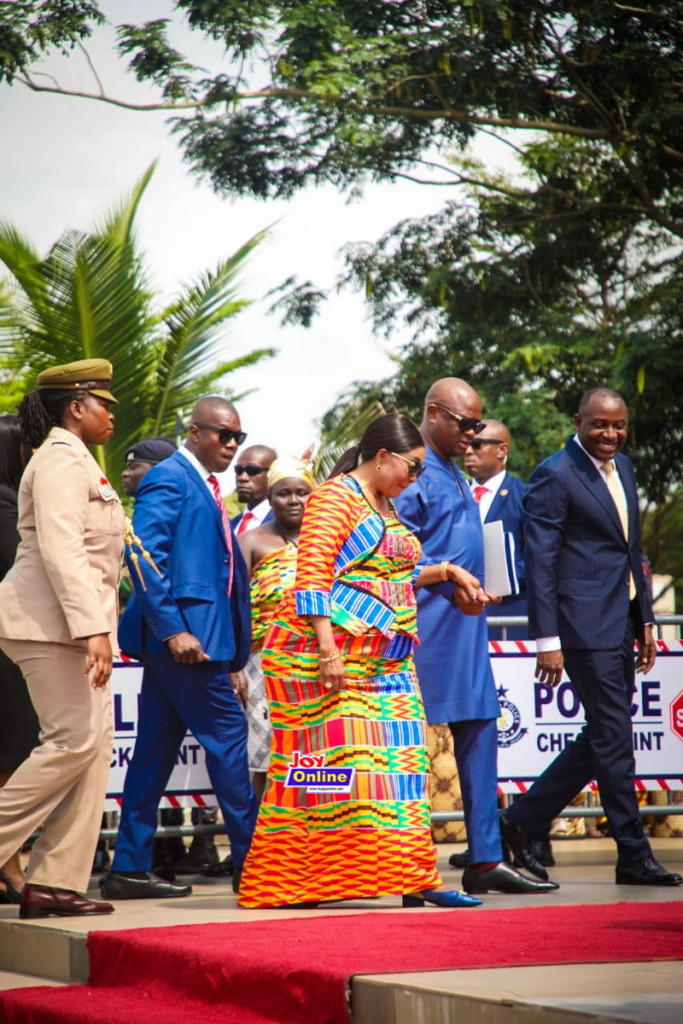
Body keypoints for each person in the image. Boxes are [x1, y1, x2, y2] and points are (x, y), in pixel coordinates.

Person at [238, 413, 483, 910]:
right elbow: (312, 578)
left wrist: (445, 571)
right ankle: (293, 881)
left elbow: (386, 574)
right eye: (412, 466)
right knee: (318, 773)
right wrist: (328, 651)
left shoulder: (385, 503)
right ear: (383, 456)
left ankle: (416, 877)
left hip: (384, 662)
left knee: (402, 766)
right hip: (319, 661)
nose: (415, 477)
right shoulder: (334, 497)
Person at [499, 387, 682, 887]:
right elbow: (540, 563)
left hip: (621, 621)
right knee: (614, 738)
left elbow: (631, 551)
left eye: (618, 425)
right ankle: (633, 853)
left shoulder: (625, 469)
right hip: (582, 627)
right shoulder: (555, 474)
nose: (610, 433)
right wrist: (547, 640)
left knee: (603, 735)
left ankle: (520, 820)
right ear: (578, 421)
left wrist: (646, 621)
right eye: (599, 424)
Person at [395, 378, 557, 895]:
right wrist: (448, 577)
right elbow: (390, 554)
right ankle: (408, 867)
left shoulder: (454, 470)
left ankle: (485, 859)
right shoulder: (413, 470)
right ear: (433, 414)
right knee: (407, 745)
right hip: (420, 627)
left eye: (477, 425)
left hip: (466, 623)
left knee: (482, 728)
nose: (472, 433)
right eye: (464, 423)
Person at [101, 396, 257, 900]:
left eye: (237, 437)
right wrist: (172, 630)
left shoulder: (205, 485)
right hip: (185, 643)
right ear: (194, 432)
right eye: (222, 434)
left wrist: (232, 652)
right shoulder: (170, 477)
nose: (231, 445)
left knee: (152, 752)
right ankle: (254, 865)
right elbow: (142, 555)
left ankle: (128, 867)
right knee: (229, 739)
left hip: (201, 641)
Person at [0, 359, 124, 918]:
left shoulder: (78, 460)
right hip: (49, 626)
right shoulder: (58, 460)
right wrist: (92, 628)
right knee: (72, 741)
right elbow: (62, 549)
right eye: (104, 405)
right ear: (76, 407)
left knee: (92, 749)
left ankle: (55, 882)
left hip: (70, 627)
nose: (112, 416)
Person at [237, 456, 315, 800]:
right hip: (263, 664)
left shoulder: (327, 542)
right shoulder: (251, 541)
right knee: (265, 758)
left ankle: (309, 827)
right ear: (270, 498)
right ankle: (263, 830)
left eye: (302, 492)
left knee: (315, 756)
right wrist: (235, 665)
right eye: (284, 493)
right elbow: (235, 606)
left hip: (316, 662)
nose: (294, 500)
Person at [0, 416, 40, 903]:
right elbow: (21, 569)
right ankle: (9, 866)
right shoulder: (4, 503)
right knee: (11, 761)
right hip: (7, 653)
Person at [463, 420, 529, 641]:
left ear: (502, 450)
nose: (468, 451)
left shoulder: (525, 496)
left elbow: (537, 557)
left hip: (508, 616)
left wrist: (501, 582)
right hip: (460, 614)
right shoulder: (455, 496)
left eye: (477, 444)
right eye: (466, 444)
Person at [232, 445, 277, 534]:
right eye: (239, 470)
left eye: (252, 470)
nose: (242, 478)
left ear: (272, 475)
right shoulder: (228, 526)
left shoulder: (284, 525)